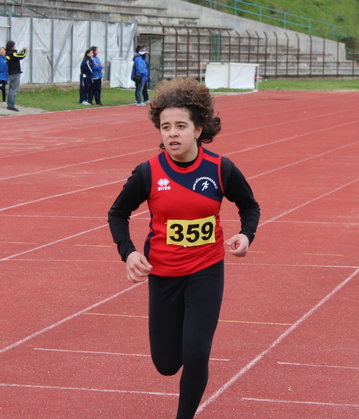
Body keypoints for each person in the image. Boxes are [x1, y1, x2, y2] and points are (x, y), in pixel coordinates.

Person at [108, 77, 260, 419]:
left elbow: (250, 207)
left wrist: (246, 235)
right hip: (163, 273)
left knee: (195, 354)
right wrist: (129, 252)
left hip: (206, 271)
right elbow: (117, 213)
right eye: (165, 127)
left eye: (180, 126)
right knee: (166, 364)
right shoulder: (148, 173)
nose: (172, 134)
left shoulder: (221, 169)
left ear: (198, 128)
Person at [5, 40, 27, 112]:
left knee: (11, 89)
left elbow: (17, 54)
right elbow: (21, 56)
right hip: (15, 73)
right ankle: (11, 105)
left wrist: (22, 50)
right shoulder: (12, 53)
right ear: (11, 47)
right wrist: (25, 51)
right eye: (14, 46)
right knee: (14, 90)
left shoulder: (8, 53)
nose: (15, 47)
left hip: (10, 73)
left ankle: (9, 104)